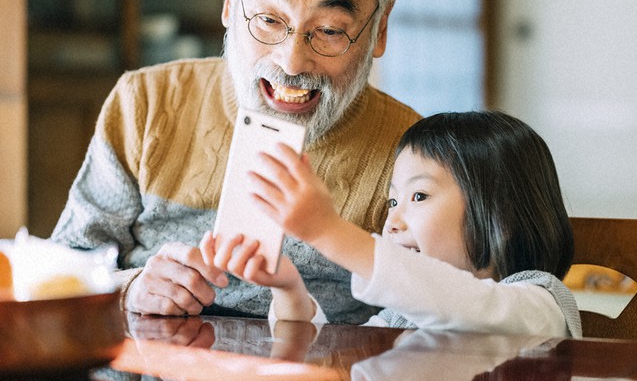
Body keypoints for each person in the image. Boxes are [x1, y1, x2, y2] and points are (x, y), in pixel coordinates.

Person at [49, 0, 420, 323]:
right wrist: (130, 288)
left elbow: (432, 310)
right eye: (267, 19)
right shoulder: (145, 103)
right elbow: (65, 265)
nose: (291, 62)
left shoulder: (415, 154)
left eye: (328, 31)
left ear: (379, 29)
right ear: (230, 4)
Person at [202, 111, 582, 337]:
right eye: (392, 201)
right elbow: (323, 358)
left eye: (418, 197)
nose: (393, 221)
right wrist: (288, 291)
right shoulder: (396, 319)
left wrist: (328, 231)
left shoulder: (540, 305)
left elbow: (471, 308)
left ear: (502, 213)